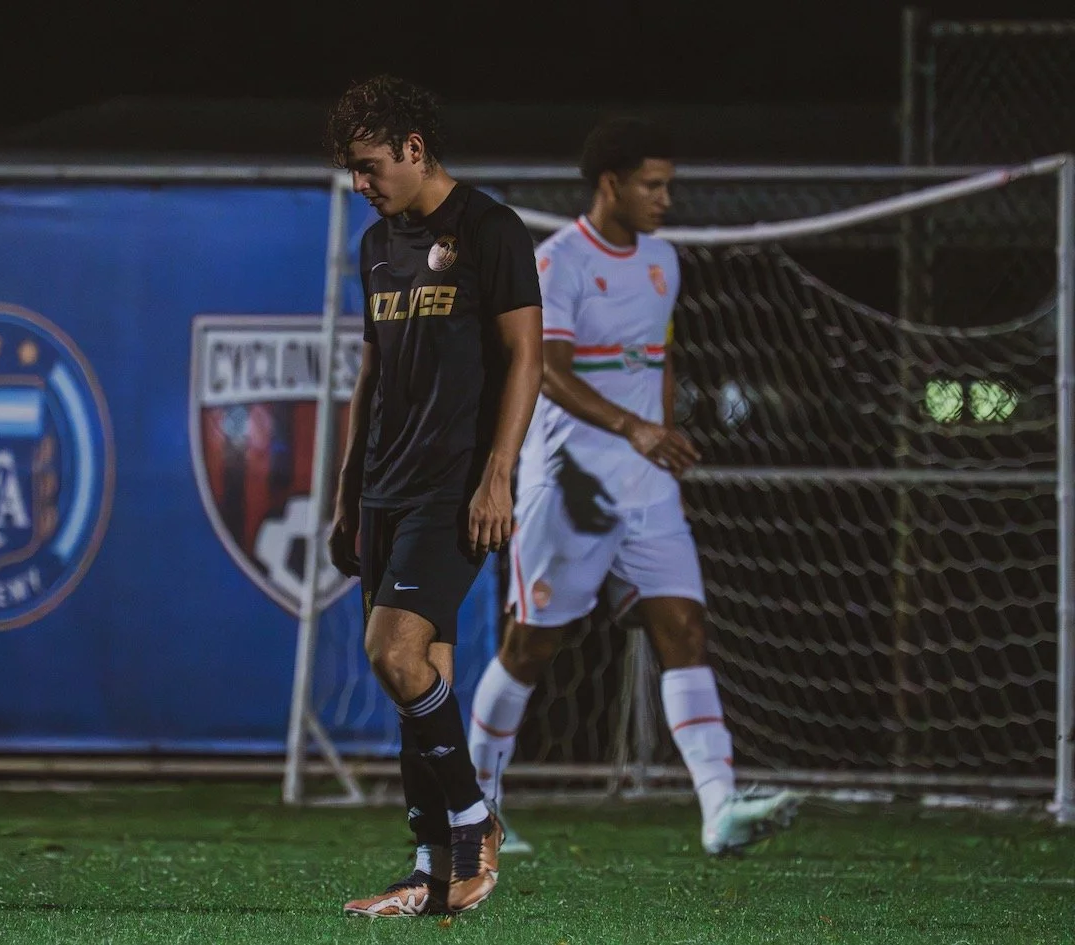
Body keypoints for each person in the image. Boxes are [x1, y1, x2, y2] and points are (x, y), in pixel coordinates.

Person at [467, 117, 799, 856]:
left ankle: (719, 810)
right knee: (532, 644)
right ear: (610, 184)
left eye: (668, 184)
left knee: (683, 628)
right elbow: (546, 370)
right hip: (569, 482)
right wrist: (631, 426)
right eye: (653, 184)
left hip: (646, 485)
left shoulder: (664, 261)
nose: (665, 198)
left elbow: (659, 355)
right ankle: (475, 809)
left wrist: (661, 425)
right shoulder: (557, 263)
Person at [325, 75, 543, 916]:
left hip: (451, 489)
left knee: (395, 653)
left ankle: (473, 815)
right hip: (385, 485)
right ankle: (431, 873)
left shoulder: (492, 229)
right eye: (352, 170)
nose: (361, 184)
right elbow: (371, 370)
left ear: (414, 150)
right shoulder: (377, 244)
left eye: (370, 165)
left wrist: (498, 472)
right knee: (420, 680)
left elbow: (527, 356)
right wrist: (349, 490)